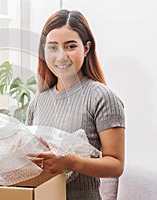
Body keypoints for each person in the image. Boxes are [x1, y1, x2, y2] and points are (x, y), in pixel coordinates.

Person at [27, 9, 125, 199]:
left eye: (70, 46)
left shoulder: (102, 97)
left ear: (86, 48)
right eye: (53, 47)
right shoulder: (38, 102)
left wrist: (71, 162)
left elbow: (116, 165)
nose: (61, 56)